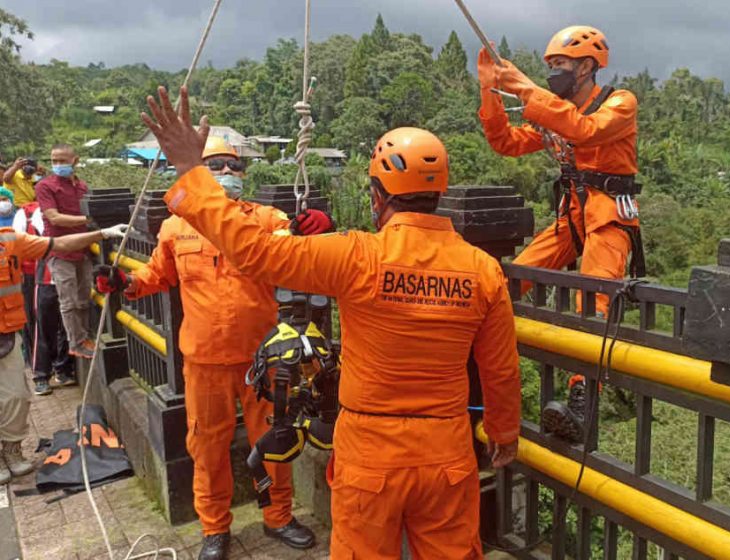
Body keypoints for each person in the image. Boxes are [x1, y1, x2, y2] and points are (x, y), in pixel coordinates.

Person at [141, 86, 521, 560]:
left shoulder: (357, 254)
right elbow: (501, 370)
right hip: (446, 450)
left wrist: (191, 174)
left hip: (370, 451)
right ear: (438, 193)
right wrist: (503, 434)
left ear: (377, 196)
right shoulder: (483, 268)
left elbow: (255, 252)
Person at [94, 137, 332, 560]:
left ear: (243, 173)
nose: (227, 173)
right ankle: (214, 528)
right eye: (216, 165)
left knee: (275, 440)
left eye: (233, 166)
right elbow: (155, 276)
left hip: (264, 359)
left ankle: (278, 516)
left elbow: (296, 244)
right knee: (206, 446)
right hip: (204, 361)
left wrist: (317, 227)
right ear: (199, 172)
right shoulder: (174, 226)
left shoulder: (263, 218)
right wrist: (123, 284)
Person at [477, 26, 642, 441]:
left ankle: (582, 403)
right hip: (573, 213)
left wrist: (525, 88)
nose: (553, 73)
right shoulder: (556, 110)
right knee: (511, 280)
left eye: (561, 65)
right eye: (549, 66)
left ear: (587, 66)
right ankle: (478, 358)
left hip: (607, 213)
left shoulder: (619, 103)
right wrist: (492, 93)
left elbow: (586, 131)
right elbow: (506, 142)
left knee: (595, 299)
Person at [0, 221, 127, 484]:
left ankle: (12, 450)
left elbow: (59, 245)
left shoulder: (9, 240)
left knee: (16, 397)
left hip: (6, 335)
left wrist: (102, 233)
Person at [36, 144, 95, 360]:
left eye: (62, 160)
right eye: (54, 161)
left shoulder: (82, 187)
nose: (58, 165)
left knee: (83, 297)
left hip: (82, 250)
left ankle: (84, 337)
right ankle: (76, 342)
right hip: (59, 250)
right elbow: (54, 217)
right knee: (68, 299)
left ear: (75, 160)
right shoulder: (45, 186)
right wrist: (88, 221)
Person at [13, 203, 76, 395]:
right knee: (43, 326)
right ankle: (41, 375)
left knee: (68, 324)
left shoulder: (70, 212)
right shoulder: (29, 213)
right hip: (43, 275)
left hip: (68, 273)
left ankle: (62, 369)